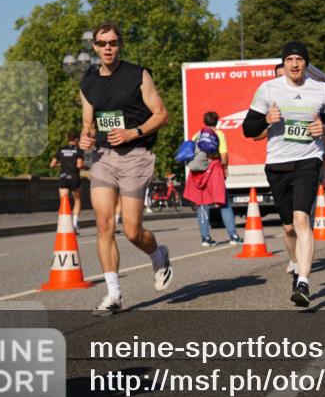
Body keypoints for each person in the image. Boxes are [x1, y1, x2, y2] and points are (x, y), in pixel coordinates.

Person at [78, 23, 172, 315]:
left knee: (132, 230)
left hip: (136, 155)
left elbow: (162, 114)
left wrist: (134, 133)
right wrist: (86, 137)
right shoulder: (88, 82)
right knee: (104, 224)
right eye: (102, 43)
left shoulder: (138, 75)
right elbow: (88, 125)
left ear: (120, 45)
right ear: (94, 47)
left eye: (114, 43)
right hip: (105, 157)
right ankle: (114, 294)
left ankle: (158, 255)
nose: (108, 48)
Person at [243, 41, 325, 307]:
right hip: (277, 163)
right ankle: (296, 265)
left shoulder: (321, 90)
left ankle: (304, 282)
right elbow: (248, 129)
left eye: (299, 59)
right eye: (290, 60)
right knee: (287, 227)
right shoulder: (268, 89)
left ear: (306, 63)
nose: (295, 64)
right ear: (283, 64)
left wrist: (324, 126)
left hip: (308, 160)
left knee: (301, 220)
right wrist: (266, 120)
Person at [184, 111, 244, 247]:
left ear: (204, 121)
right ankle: (233, 236)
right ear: (216, 122)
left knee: (202, 205)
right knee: (223, 202)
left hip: (199, 173)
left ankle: (205, 238)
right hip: (214, 170)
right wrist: (225, 168)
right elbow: (224, 154)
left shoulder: (197, 135)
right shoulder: (219, 134)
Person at [50, 132, 84, 234]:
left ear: (68, 139)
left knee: (64, 202)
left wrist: (62, 163)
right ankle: (74, 225)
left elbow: (52, 165)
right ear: (76, 140)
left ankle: (63, 225)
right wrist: (85, 166)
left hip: (63, 177)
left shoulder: (61, 150)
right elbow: (79, 165)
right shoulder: (78, 151)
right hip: (74, 178)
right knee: (77, 201)